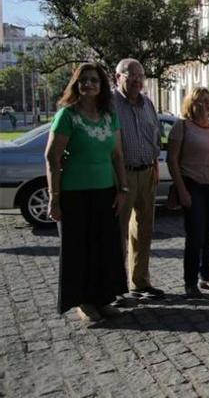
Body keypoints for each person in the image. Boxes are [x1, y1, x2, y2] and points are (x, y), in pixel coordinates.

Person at [46, 63, 129, 322]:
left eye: (94, 80)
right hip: (74, 193)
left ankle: (103, 299)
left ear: (102, 85)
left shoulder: (108, 115)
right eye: (84, 80)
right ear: (76, 84)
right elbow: (52, 157)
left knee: (104, 248)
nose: (89, 84)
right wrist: (54, 198)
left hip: (105, 191)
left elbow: (117, 156)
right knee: (79, 250)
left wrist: (122, 188)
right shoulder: (67, 116)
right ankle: (83, 302)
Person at [112, 58, 165, 301]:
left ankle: (141, 281)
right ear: (118, 77)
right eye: (130, 75)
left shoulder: (148, 104)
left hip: (146, 173)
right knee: (118, 232)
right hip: (121, 174)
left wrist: (154, 162)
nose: (136, 80)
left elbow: (155, 134)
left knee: (144, 231)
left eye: (140, 76)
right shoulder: (110, 104)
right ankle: (115, 286)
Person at [168, 87, 209, 298]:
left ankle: (206, 276)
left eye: (207, 101)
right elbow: (172, 160)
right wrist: (182, 190)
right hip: (192, 184)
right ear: (190, 105)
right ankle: (190, 282)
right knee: (195, 236)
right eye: (199, 102)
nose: (204, 105)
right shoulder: (182, 126)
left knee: (208, 236)